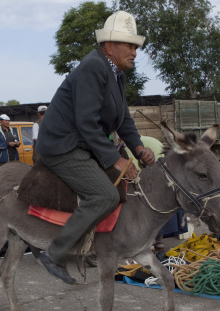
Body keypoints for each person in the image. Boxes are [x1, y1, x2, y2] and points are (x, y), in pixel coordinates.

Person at [35, 11, 155, 284]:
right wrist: (116, 160)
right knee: (105, 196)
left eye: (136, 47)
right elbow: (86, 122)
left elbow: (123, 119)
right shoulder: (93, 67)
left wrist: (138, 148)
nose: (135, 52)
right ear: (109, 46)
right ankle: (55, 252)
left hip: (82, 145)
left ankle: (96, 243)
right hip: (63, 145)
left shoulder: (115, 74)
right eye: (129, 45)